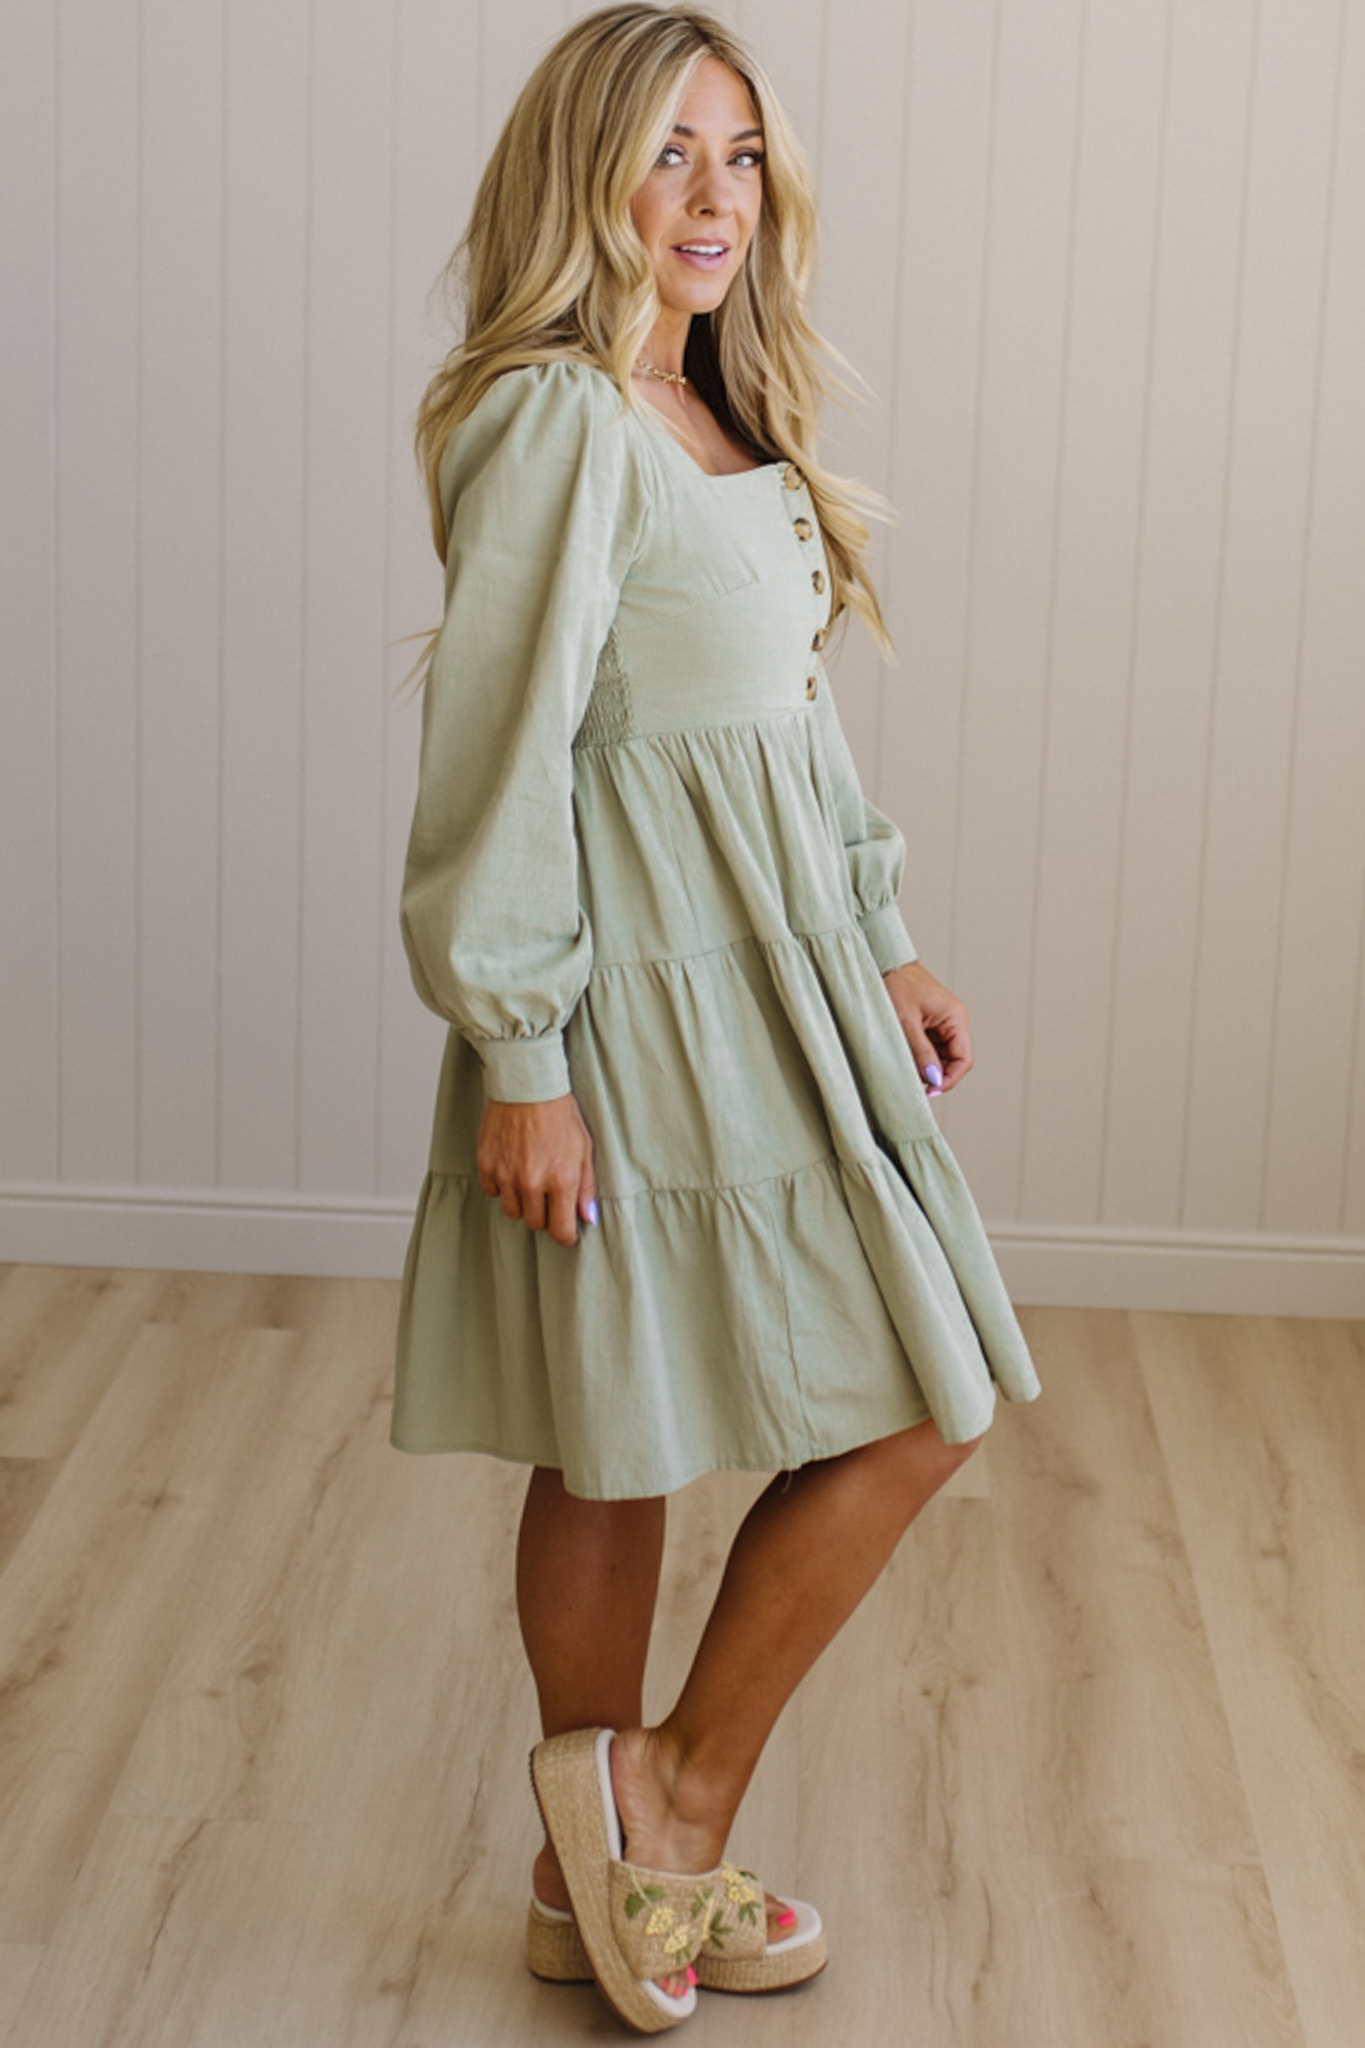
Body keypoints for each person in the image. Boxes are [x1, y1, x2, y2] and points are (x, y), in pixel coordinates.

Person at [394, 4, 1040, 2032]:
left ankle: (622, 1844)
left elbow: (784, 727)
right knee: (618, 1436)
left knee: (921, 1399)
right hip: (634, 1001)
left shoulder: (717, 414)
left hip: (783, 979)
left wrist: (883, 930)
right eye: (666, 152)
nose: (711, 196)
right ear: (581, 177)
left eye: (740, 153)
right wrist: (525, 1057)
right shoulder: (555, 419)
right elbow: (497, 761)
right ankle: (645, 1840)